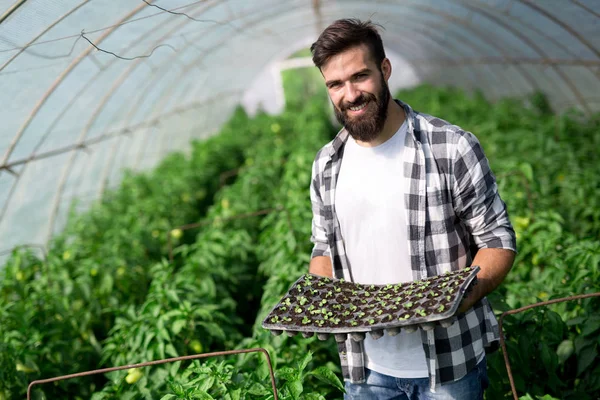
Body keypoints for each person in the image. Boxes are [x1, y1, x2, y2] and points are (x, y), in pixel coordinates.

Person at [308, 19, 517, 399]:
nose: (350, 94)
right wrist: (321, 300)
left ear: (385, 70)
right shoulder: (327, 164)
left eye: (360, 76)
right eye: (335, 85)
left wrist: (453, 302)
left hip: (450, 364)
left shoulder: (450, 147)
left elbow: (498, 240)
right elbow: (323, 249)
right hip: (366, 369)